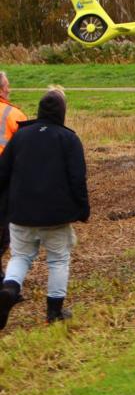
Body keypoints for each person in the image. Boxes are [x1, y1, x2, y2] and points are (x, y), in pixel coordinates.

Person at [0, 88, 89, 328]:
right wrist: (83, 209)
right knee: (58, 260)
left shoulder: (20, 136)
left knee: (20, 257)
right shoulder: (69, 139)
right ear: (62, 112)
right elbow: (77, 179)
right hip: (56, 216)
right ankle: (54, 313)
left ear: (39, 111)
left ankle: (9, 290)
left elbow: (2, 173)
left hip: (20, 213)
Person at [0, 71, 28, 259]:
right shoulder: (14, 114)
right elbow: (29, 147)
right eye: (6, 86)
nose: (9, 90)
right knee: (4, 228)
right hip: (5, 176)